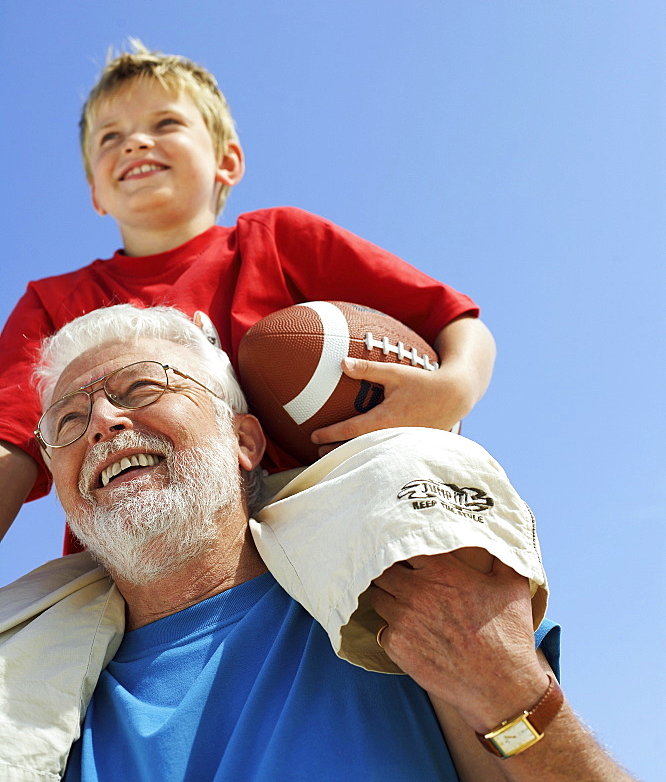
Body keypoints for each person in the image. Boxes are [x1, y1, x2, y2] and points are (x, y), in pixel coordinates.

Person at [0, 304, 637, 782]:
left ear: (243, 442)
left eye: (141, 389)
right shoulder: (37, 712)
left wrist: (512, 695)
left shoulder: (400, 598)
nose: (103, 424)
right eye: (69, 424)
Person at [0, 40, 496, 550]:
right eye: (110, 137)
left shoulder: (280, 239)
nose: (135, 143)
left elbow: (453, 320)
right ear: (95, 195)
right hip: (132, 552)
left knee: (441, 515)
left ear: (227, 161)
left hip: (312, 507)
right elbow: (9, 443)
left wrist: (455, 388)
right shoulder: (52, 301)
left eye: (165, 124)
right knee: (37, 622)